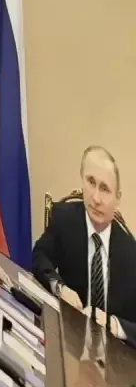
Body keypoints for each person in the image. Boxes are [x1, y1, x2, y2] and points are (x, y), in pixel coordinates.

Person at [32, 145, 136, 341]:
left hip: (111, 350)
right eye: (91, 182)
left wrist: (114, 324)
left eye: (105, 189)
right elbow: (39, 256)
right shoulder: (65, 219)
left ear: (118, 199)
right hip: (68, 335)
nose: (95, 198)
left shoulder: (130, 252)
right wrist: (60, 288)